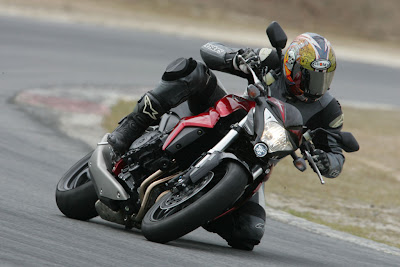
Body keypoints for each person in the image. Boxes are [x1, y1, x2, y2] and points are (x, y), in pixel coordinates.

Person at [107, 32, 344, 250]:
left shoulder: (329, 110)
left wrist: (327, 161)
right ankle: (131, 128)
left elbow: (336, 155)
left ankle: (193, 207)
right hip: (231, 119)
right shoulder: (273, 61)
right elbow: (209, 50)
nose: (316, 87)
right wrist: (236, 57)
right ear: (292, 66)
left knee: (249, 232)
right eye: (310, 77)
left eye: (324, 78)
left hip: (258, 162)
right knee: (192, 71)